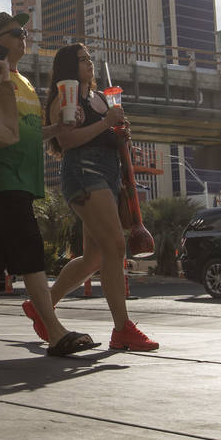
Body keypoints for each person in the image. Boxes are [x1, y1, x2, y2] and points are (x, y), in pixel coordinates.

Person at [0, 12, 95, 356]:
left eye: (25, 32)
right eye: (15, 32)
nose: (23, 36)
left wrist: (57, 130)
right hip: (1, 172)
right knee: (29, 244)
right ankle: (54, 331)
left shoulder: (27, 84)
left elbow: (26, 133)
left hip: (26, 175)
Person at [28, 43, 157, 351]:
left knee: (95, 257)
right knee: (115, 246)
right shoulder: (66, 98)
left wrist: (120, 132)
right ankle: (122, 328)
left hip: (109, 177)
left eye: (89, 58)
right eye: (82, 59)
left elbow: (109, 136)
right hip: (84, 173)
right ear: (70, 66)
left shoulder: (101, 98)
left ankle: (42, 306)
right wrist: (105, 123)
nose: (90, 63)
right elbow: (67, 140)